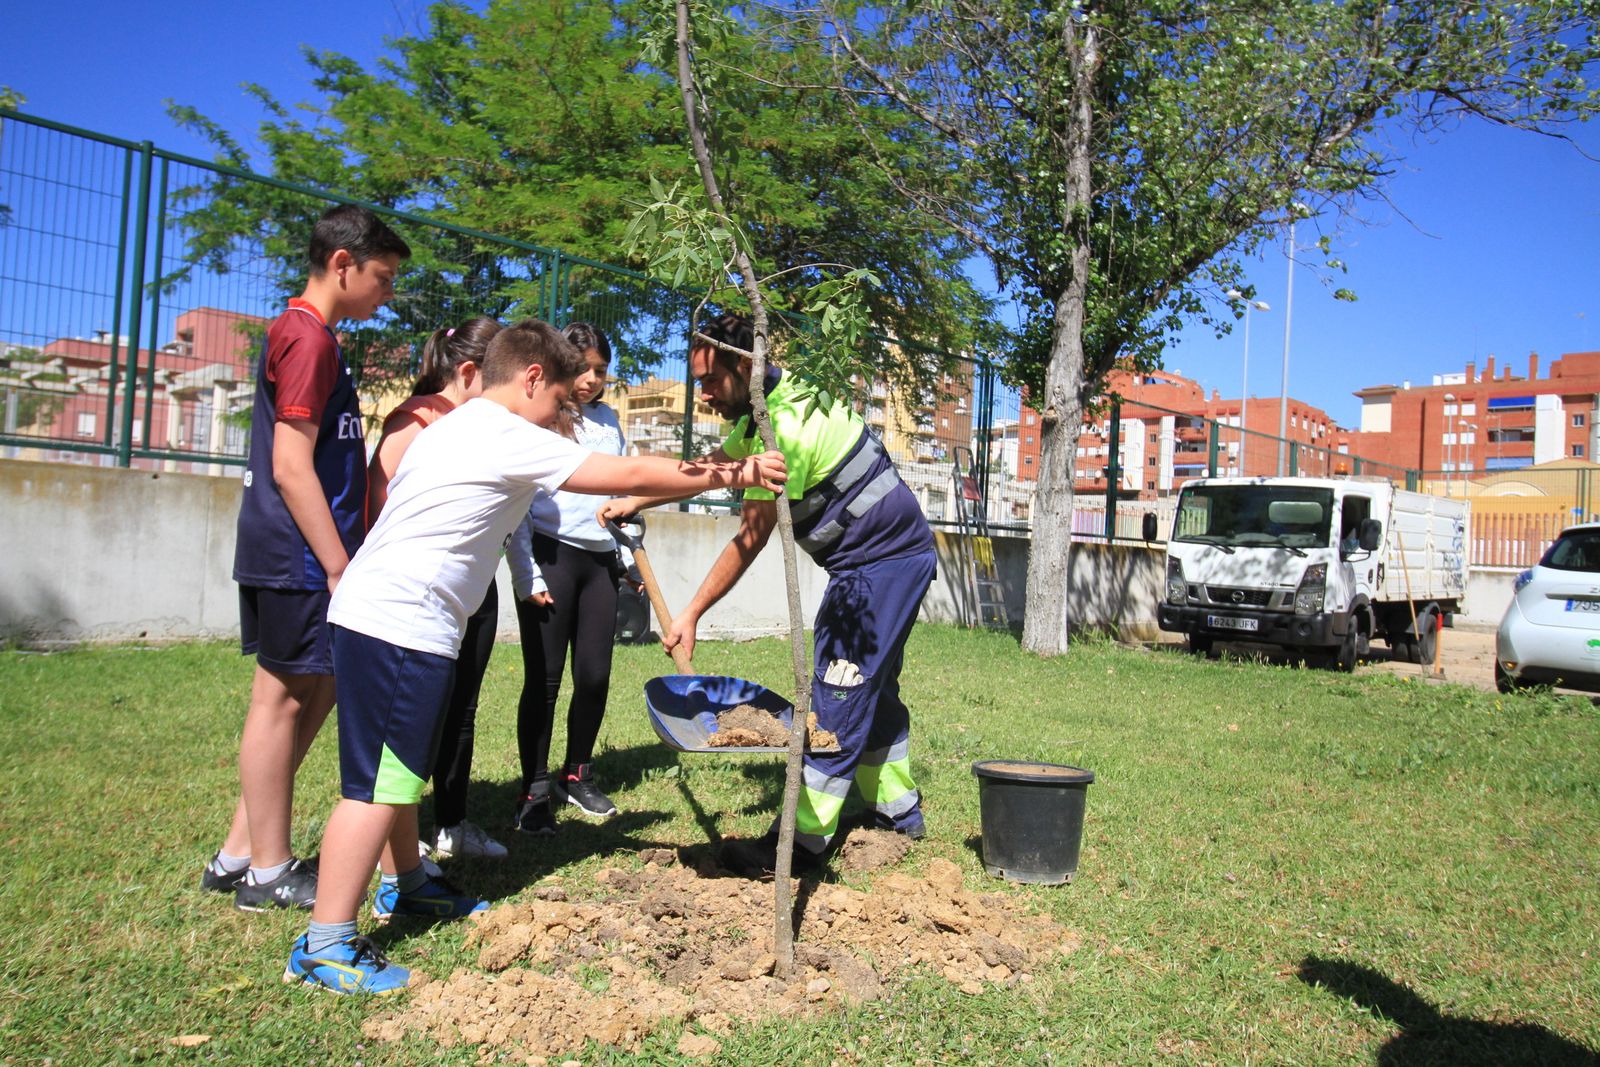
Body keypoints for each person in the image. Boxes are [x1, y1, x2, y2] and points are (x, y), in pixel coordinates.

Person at [283, 319, 785, 994]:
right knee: (376, 788)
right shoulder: (507, 432)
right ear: (530, 379)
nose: (560, 420)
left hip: (379, 617)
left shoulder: (453, 425)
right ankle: (326, 944)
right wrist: (737, 469)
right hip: (402, 624)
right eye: (557, 404)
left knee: (396, 774)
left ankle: (409, 884)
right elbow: (628, 472)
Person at [598, 313, 936, 876]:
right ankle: (899, 813)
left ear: (746, 366)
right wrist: (640, 499)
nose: (702, 394)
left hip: (880, 568)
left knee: (837, 697)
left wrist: (691, 612)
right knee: (869, 690)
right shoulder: (769, 409)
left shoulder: (786, 427)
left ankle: (799, 846)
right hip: (880, 562)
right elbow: (713, 466)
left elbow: (751, 535)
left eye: (709, 380)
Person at [204, 204, 410, 911]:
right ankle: (266, 870)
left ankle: (238, 852)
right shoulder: (306, 338)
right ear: (343, 264)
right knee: (281, 699)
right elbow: (292, 464)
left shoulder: (314, 336)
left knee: (316, 690)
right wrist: (335, 562)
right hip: (297, 552)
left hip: (307, 551)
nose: (388, 293)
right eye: (383, 278)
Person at [366, 317, 508, 862]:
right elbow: (387, 509)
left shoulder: (484, 424)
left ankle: (452, 820)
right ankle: (397, 838)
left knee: (461, 708)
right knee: (413, 714)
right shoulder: (417, 420)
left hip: (471, 583)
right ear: (471, 370)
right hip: (415, 592)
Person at [507, 322, 633, 833]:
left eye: (600, 370)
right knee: (544, 679)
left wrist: (624, 562)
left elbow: (618, 498)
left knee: (595, 675)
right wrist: (527, 572)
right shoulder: (541, 419)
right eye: (581, 368)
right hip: (550, 557)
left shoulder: (610, 423)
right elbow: (516, 506)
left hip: (600, 562)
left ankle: (576, 773)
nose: (590, 379)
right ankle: (534, 787)